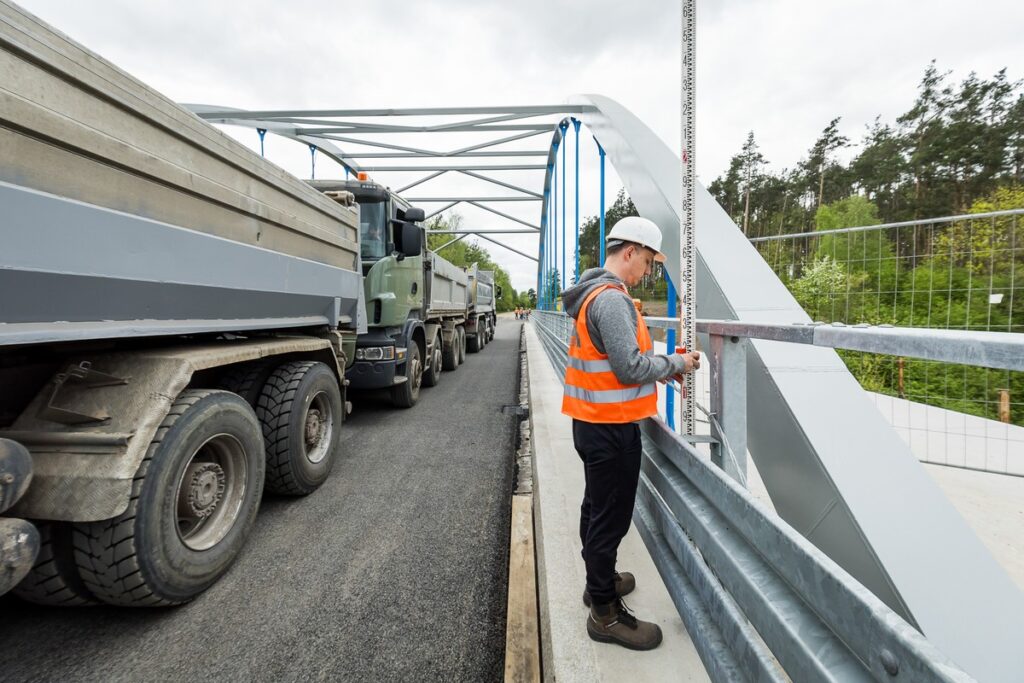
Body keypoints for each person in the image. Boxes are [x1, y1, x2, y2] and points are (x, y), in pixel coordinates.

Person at [560, 216, 700, 651]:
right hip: (611, 430)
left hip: (593, 423)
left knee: (596, 508)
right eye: (648, 263)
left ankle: (597, 582)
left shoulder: (593, 294)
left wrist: (662, 363)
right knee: (611, 516)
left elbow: (624, 360)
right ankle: (604, 613)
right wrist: (678, 365)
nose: (648, 273)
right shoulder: (613, 300)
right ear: (630, 253)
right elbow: (630, 367)